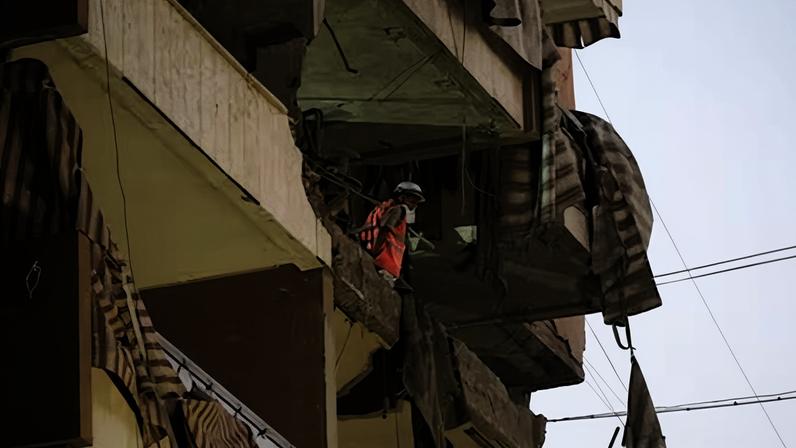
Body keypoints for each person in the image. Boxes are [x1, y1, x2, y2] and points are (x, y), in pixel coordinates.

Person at [360, 182, 425, 286]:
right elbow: (385, 229)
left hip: (383, 261)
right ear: (402, 198)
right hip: (386, 263)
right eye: (412, 201)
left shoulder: (384, 208)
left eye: (416, 203)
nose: (414, 206)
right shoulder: (398, 210)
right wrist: (375, 251)